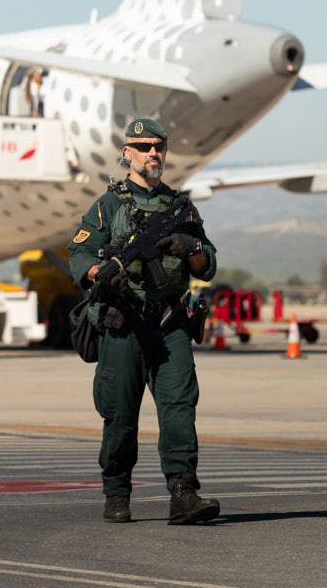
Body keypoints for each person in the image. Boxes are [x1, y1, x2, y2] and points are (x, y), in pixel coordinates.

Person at [68, 118, 220, 525]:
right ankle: (117, 492)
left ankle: (183, 491)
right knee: (119, 415)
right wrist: (102, 275)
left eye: (159, 146)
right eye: (145, 147)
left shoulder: (179, 207)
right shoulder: (109, 206)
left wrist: (191, 246)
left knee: (179, 407)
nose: (154, 153)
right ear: (128, 154)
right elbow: (79, 255)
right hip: (124, 323)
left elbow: (207, 267)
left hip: (169, 323)